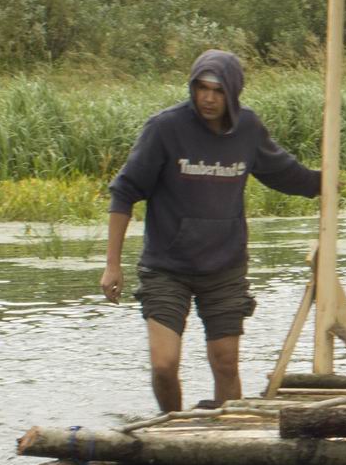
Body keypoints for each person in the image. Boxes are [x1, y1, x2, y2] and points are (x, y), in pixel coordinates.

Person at [101, 50, 321, 412]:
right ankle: (172, 426)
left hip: (224, 268)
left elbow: (284, 173)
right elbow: (124, 191)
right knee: (164, 364)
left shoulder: (247, 129)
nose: (208, 98)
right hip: (167, 268)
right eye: (201, 88)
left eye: (217, 91)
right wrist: (112, 264)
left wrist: (323, 184)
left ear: (232, 93)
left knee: (225, 363)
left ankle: (227, 436)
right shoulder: (165, 129)